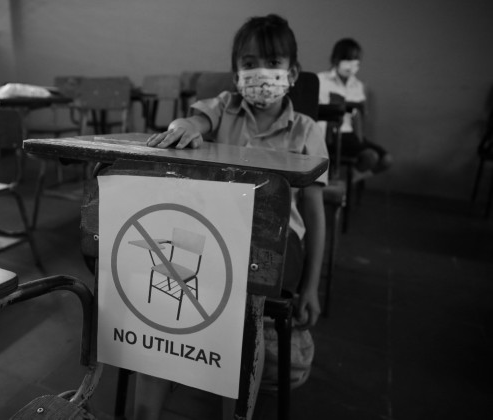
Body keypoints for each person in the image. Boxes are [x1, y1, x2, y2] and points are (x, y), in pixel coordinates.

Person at [138, 13, 327, 420]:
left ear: (292, 73)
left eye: (274, 64)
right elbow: (191, 120)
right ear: (236, 73)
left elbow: (313, 212)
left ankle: (233, 405)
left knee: (237, 313)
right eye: (249, 63)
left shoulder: (306, 130)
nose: (261, 73)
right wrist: (185, 125)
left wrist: (311, 286)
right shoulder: (223, 108)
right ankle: (149, 404)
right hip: (210, 230)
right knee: (156, 293)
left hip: (276, 242)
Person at [317, 38, 392, 179]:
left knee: (386, 159)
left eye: (355, 61)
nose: (351, 66)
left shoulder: (358, 86)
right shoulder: (321, 80)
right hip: (329, 136)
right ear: (336, 59)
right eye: (347, 60)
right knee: (370, 156)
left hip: (351, 135)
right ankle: (344, 183)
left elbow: (359, 117)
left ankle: (351, 181)